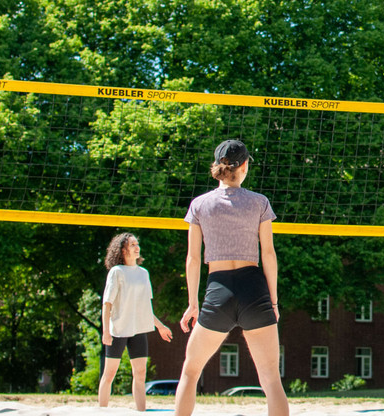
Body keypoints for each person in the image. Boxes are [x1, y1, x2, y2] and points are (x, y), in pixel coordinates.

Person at [175, 139, 288, 416]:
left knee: (190, 371)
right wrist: (272, 302)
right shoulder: (260, 202)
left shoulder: (200, 205)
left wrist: (192, 303)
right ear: (245, 166)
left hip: (219, 288)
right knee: (271, 379)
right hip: (254, 289)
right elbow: (269, 255)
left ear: (217, 167)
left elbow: (192, 259)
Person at [99, 232, 173, 411]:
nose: (136, 247)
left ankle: (141, 411)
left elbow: (146, 307)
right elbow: (107, 304)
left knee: (140, 374)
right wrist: (106, 331)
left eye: (137, 244)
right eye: (132, 245)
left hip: (138, 330)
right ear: (122, 250)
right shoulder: (116, 272)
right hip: (118, 329)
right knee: (109, 374)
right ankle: (101, 410)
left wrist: (160, 326)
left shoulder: (143, 273)